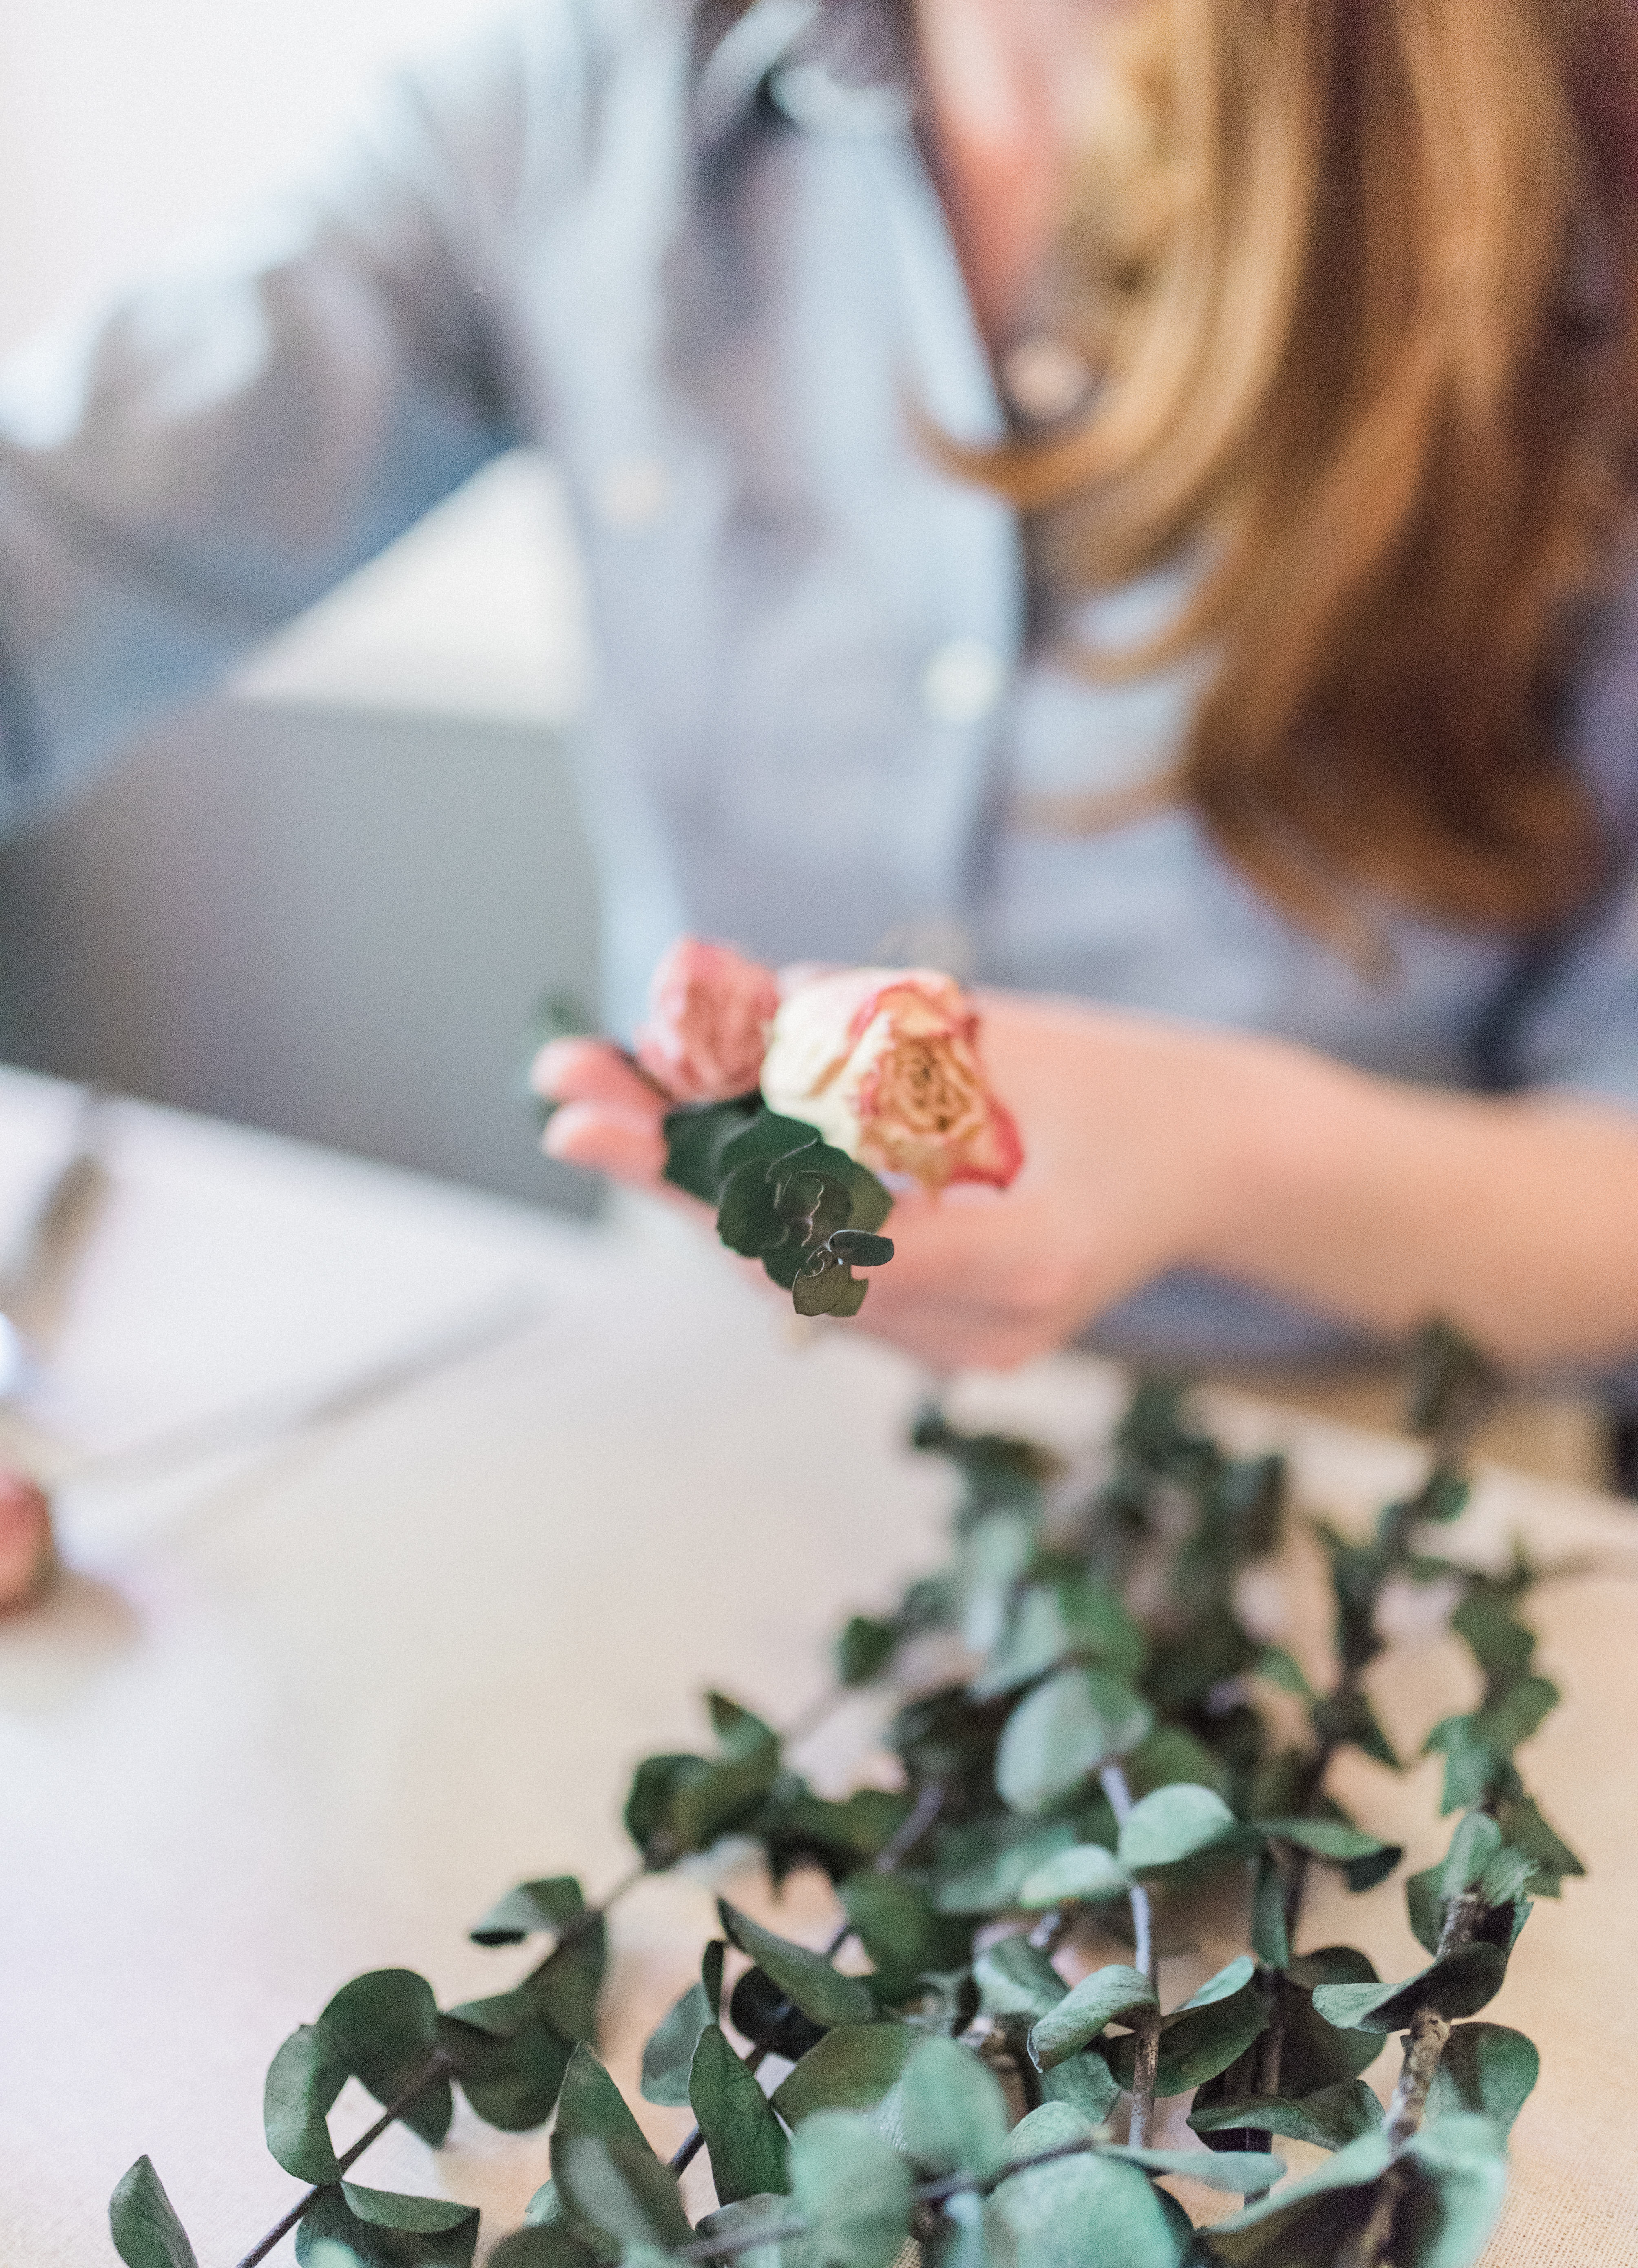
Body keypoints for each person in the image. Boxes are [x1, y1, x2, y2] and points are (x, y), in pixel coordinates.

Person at [4, 0, 1638, 1396]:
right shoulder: (592, 92)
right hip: (723, 1380)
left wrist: (1228, 1157)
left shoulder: (1585, 164)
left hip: (1363, 1446)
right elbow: (57, 544)